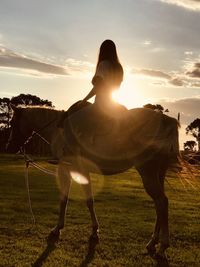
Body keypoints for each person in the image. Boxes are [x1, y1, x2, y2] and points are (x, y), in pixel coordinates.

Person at [81, 39, 125, 114]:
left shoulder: (103, 64)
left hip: (100, 104)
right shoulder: (119, 67)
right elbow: (117, 88)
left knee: (67, 121)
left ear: (102, 51)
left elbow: (98, 87)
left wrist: (84, 100)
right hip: (112, 102)